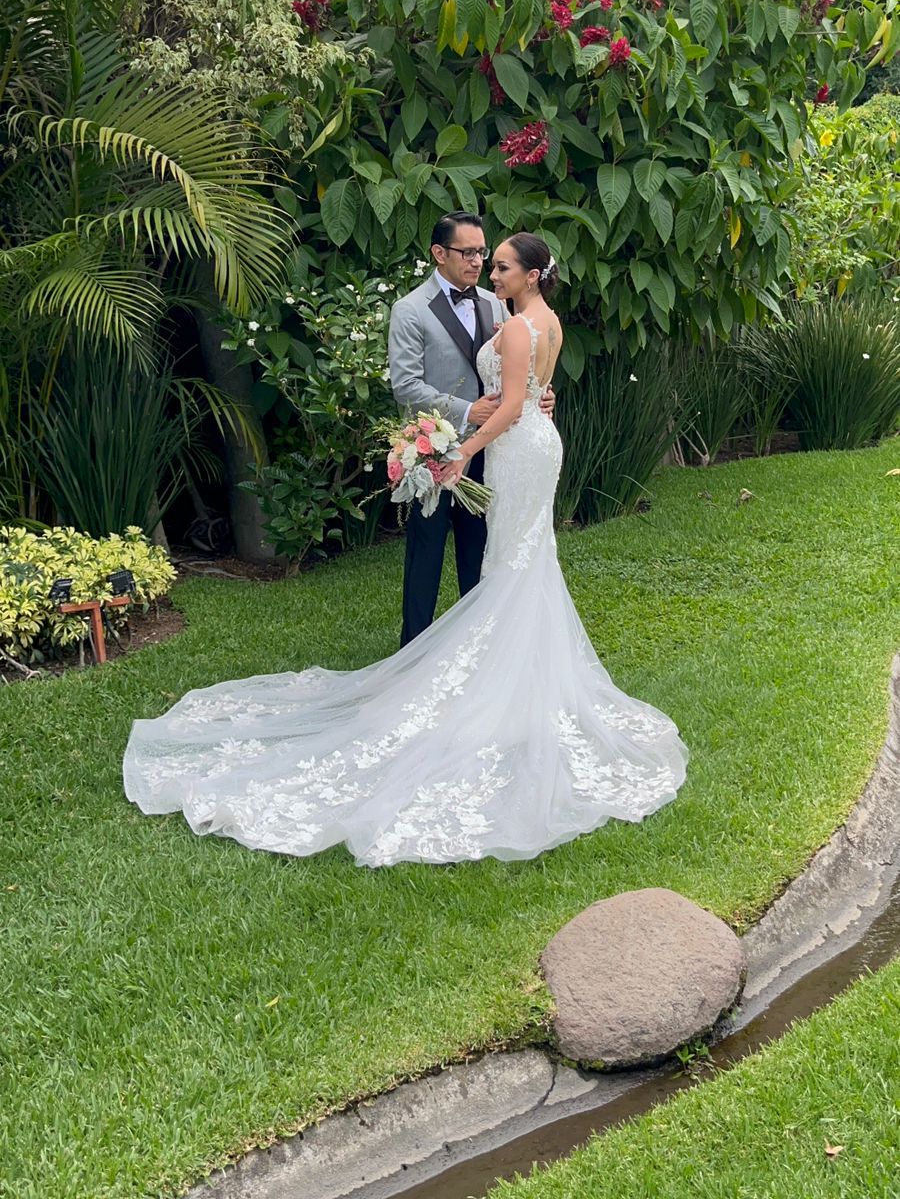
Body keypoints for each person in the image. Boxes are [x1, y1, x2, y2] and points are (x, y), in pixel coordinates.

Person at [123, 232, 687, 867]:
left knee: (507, 566)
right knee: (510, 563)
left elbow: (517, 392)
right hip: (507, 444)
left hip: (506, 449)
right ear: (441, 253)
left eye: (496, 261)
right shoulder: (442, 309)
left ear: (527, 274)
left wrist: (476, 442)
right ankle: (448, 666)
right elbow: (421, 382)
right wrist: (497, 414)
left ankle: (491, 685)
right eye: (476, 256)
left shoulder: (512, 316)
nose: (485, 267)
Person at [388, 210, 550, 644]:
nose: (478, 261)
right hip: (436, 450)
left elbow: (515, 371)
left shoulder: (496, 303)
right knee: (426, 552)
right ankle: (412, 650)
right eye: (468, 252)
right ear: (439, 254)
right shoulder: (409, 310)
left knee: (479, 552)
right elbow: (405, 386)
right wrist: (465, 411)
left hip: (494, 449)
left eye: (482, 252)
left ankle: (475, 649)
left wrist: (538, 396)